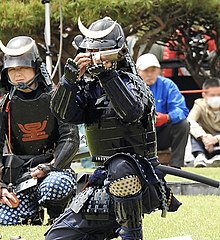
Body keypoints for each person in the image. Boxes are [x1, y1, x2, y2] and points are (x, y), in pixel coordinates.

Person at [45, 17, 181, 240]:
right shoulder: (87, 88)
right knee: (57, 237)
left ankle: (132, 234)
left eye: (103, 53)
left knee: (121, 166)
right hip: (102, 177)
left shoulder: (133, 82)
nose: (97, 59)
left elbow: (131, 112)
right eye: (92, 52)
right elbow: (64, 114)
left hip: (140, 175)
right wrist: (69, 81)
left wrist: (107, 75)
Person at [0, 36, 80, 225]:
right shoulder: (4, 106)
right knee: (6, 219)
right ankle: (31, 214)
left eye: (22, 68)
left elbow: (70, 138)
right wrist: (1, 185)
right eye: (12, 69)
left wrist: (52, 166)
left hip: (54, 169)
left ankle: (57, 213)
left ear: (35, 67)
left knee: (56, 186)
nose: (17, 74)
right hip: (19, 175)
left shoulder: (56, 98)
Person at [136, 53, 189, 168]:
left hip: (162, 133)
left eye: (153, 70)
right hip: (138, 135)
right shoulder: (131, 86)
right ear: (138, 71)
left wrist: (167, 117)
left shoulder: (168, 85)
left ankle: (176, 166)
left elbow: (182, 110)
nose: (150, 74)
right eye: (146, 71)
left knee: (183, 124)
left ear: (159, 70)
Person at [187, 78, 220, 167]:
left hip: (218, 138)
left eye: (219, 95)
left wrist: (216, 139)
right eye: (212, 95)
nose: (216, 98)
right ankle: (199, 156)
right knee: (192, 130)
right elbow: (190, 120)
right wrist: (203, 137)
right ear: (204, 95)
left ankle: (217, 156)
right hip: (206, 140)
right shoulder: (199, 104)